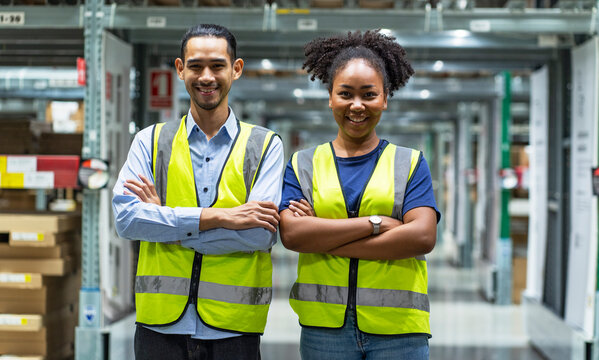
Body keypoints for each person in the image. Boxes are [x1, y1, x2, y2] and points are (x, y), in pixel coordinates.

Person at [112, 24, 284, 360]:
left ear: (236, 69)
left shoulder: (264, 146)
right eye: (195, 66)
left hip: (234, 328)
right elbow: (127, 220)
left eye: (218, 66)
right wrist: (220, 217)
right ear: (180, 69)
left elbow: (260, 234)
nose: (206, 76)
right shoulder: (150, 141)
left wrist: (168, 228)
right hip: (158, 327)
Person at [279, 30, 441, 360]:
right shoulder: (303, 164)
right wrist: (376, 223)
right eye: (346, 94)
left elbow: (422, 236)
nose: (357, 105)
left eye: (368, 94)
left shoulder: (409, 162)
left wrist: (324, 237)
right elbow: (293, 234)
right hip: (324, 329)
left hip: (399, 331)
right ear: (330, 97)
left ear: (385, 98)